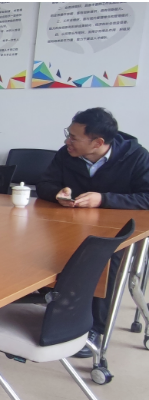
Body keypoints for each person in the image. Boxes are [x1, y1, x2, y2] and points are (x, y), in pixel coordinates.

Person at [36, 108, 149, 358]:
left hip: (114, 232)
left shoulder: (136, 157)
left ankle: (96, 327)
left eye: (74, 137)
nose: (67, 141)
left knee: (104, 262)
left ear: (97, 142)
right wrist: (57, 193)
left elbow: (146, 197)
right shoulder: (66, 154)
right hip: (69, 226)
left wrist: (104, 199)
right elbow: (43, 184)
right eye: (68, 134)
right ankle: (56, 311)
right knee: (41, 249)